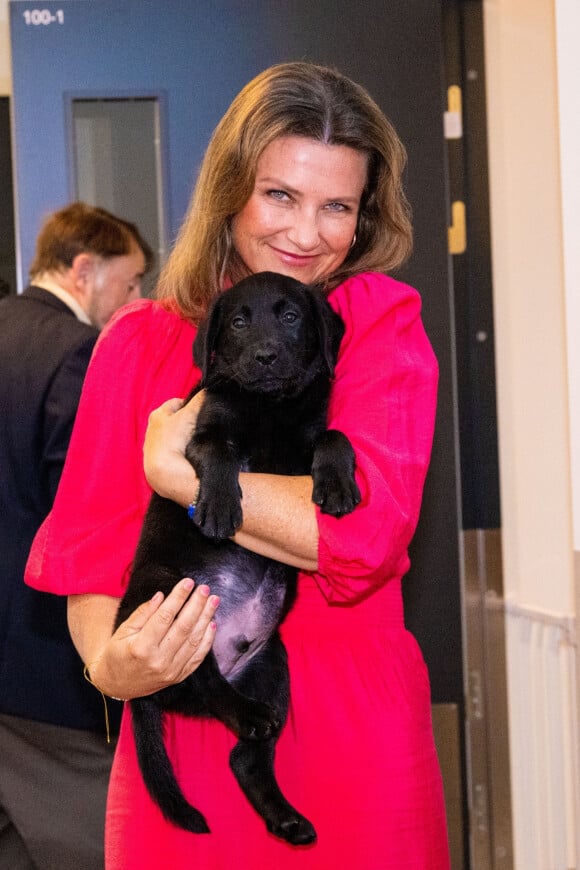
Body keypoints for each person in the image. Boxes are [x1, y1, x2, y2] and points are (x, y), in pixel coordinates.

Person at [25, 64, 451, 869]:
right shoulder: (137, 344)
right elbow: (88, 555)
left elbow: (359, 533)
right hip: (189, 723)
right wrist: (113, 666)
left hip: (353, 745)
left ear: (362, 222)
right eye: (280, 196)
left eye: (338, 207)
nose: (306, 232)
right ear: (229, 191)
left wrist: (183, 475)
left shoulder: (378, 328)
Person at [0, 202, 153, 870]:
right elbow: (91, 514)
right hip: (44, 673)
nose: (137, 300)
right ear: (84, 269)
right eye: (131, 283)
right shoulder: (76, 353)